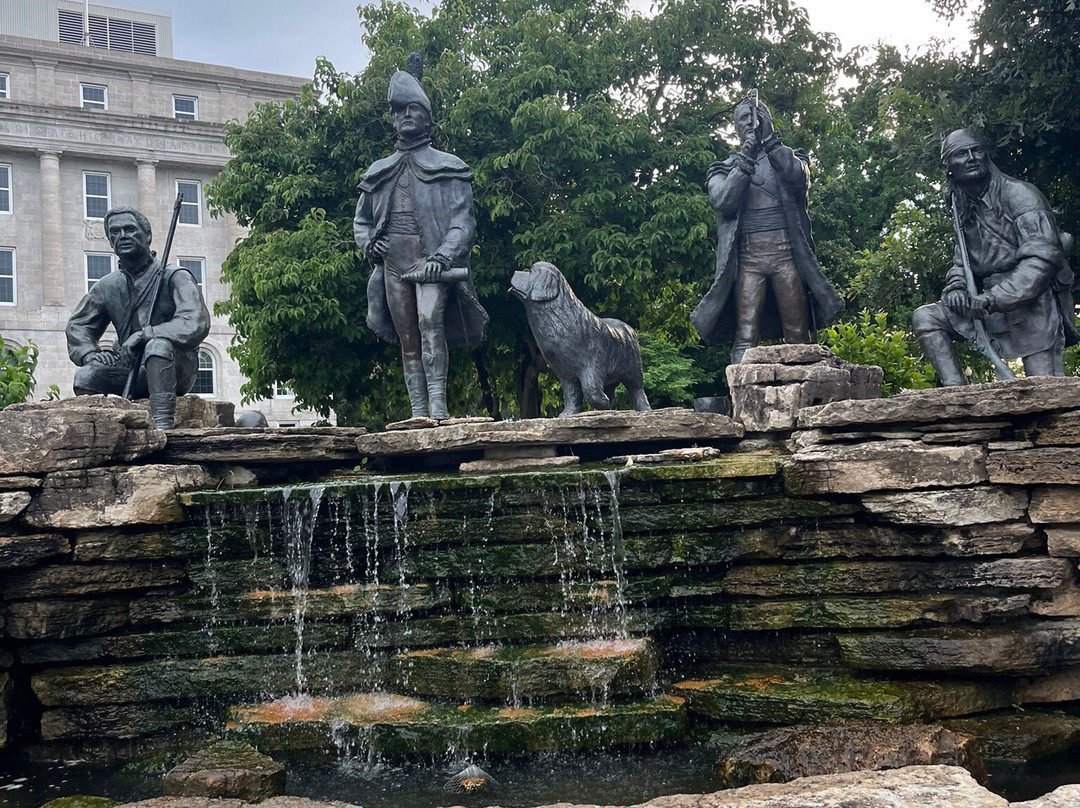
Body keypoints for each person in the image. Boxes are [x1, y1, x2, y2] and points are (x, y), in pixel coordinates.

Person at [353, 57, 488, 421]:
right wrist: (369, 244)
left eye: (413, 109)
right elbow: (361, 221)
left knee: (431, 322)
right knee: (408, 336)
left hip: (431, 263)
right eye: (398, 111)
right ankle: (418, 411)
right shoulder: (378, 172)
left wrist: (442, 257)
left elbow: (463, 223)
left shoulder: (451, 167)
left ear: (428, 117)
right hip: (393, 263)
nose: (405, 116)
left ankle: (439, 406)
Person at [913, 129, 1077, 385]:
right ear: (949, 167)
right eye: (960, 154)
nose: (971, 158)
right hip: (984, 301)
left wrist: (994, 298)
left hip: (1031, 301)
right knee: (926, 318)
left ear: (986, 155)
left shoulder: (1021, 194)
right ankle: (957, 396)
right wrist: (956, 287)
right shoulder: (960, 206)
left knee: (1048, 389)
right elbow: (962, 261)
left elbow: (1041, 262)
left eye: (976, 150)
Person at [692, 92, 841, 364]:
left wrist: (771, 141)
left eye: (757, 116)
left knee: (797, 331)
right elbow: (723, 201)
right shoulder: (723, 168)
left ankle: (803, 392)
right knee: (746, 334)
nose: (751, 123)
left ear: (767, 119)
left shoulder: (789, 157)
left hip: (787, 257)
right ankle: (741, 395)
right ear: (735, 127)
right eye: (743, 119)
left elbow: (798, 179)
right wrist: (746, 157)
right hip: (749, 260)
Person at [66, 206, 210, 429]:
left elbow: (195, 321)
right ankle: (102, 430)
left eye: (130, 229)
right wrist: (89, 354)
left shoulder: (175, 276)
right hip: (131, 368)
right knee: (85, 377)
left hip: (174, 368)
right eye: (114, 232)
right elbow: (78, 326)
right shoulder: (108, 286)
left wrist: (146, 335)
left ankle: (163, 426)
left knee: (157, 346)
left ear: (147, 235)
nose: (122, 236)